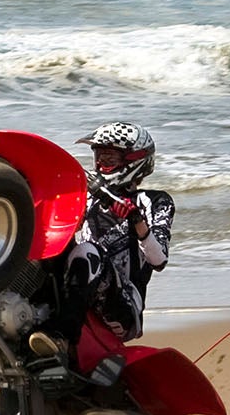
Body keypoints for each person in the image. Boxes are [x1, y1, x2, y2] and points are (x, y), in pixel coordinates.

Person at [30, 121, 175, 364]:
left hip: (124, 309)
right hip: (78, 288)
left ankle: (63, 336)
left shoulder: (155, 201)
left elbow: (158, 259)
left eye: (110, 159)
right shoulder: (87, 196)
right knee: (39, 249)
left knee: (88, 252)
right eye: (99, 157)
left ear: (133, 161)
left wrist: (134, 219)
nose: (101, 165)